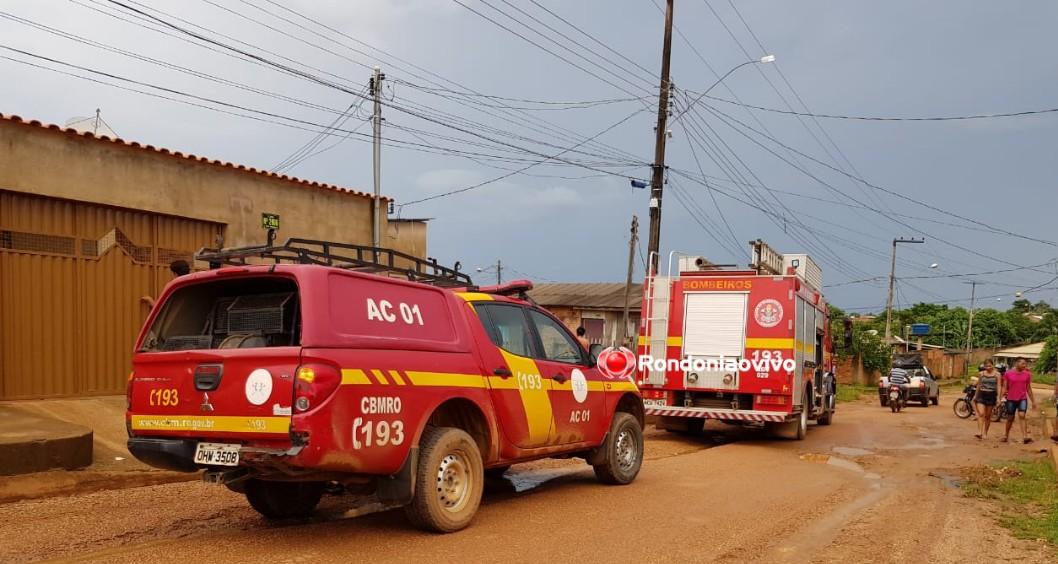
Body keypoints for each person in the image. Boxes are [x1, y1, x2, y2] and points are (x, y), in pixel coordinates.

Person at [1000, 357, 1036, 444]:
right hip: (1011, 399)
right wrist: (1001, 398)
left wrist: (1033, 401)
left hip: (1022, 398)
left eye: (1025, 364)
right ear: (1017, 363)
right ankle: (1006, 435)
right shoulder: (1008, 374)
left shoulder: (1027, 374)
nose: (1025, 365)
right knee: (1010, 418)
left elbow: (1028, 388)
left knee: (1022, 415)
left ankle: (1025, 437)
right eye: (1023, 363)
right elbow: (1004, 386)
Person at [974, 360, 1000, 439]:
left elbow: (999, 386)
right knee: (981, 413)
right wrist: (975, 395)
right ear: (984, 366)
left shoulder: (997, 375)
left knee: (988, 416)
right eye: (986, 366)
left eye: (989, 366)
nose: (988, 367)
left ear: (993, 365)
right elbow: (979, 385)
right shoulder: (981, 374)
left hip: (991, 395)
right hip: (982, 394)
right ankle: (980, 432)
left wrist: (998, 397)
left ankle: (985, 432)